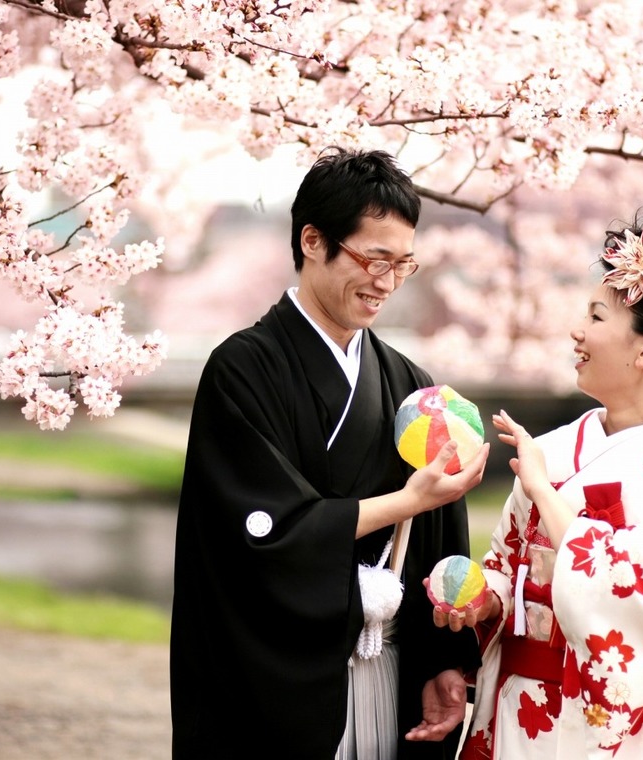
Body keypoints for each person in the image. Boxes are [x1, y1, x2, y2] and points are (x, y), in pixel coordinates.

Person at [170, 146, 490, 759]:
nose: (387, 282)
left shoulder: (409, 385)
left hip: (390, 673)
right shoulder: (243, 369)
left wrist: (445, 661)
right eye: (374, 259)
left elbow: (437, 545)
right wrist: (404, 501)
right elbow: (260, 533)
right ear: (313, 240)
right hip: (276, 682)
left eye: (404, 265)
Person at [433, 211, 643, 759]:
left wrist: (544, 492)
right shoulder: (550, 451)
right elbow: (507, 568)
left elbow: (637, 590)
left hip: (636, 722)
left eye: (596, 316)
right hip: (524, 712)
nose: (577, 331)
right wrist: (483, 600)